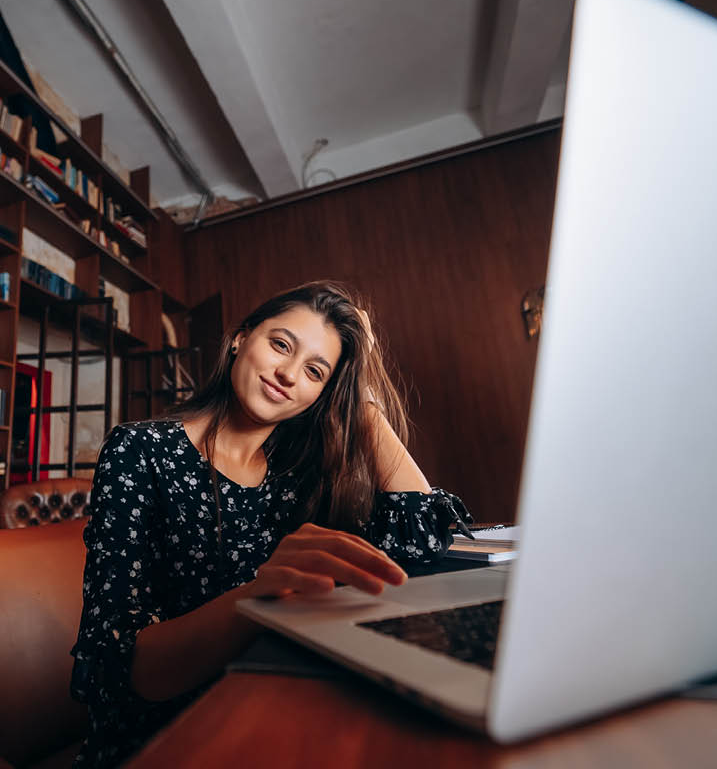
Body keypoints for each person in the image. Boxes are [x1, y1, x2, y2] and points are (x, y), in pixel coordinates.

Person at [70, 281, 470, 767]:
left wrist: (363, 403)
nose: (287, 374)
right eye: (281, 344)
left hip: (280, 708)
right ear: (240, 337)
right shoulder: (140, 450)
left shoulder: (301, 472)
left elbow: (423, 540)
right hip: (167, 737)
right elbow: (122, 669)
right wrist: (259, 594)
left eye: (315, 371)